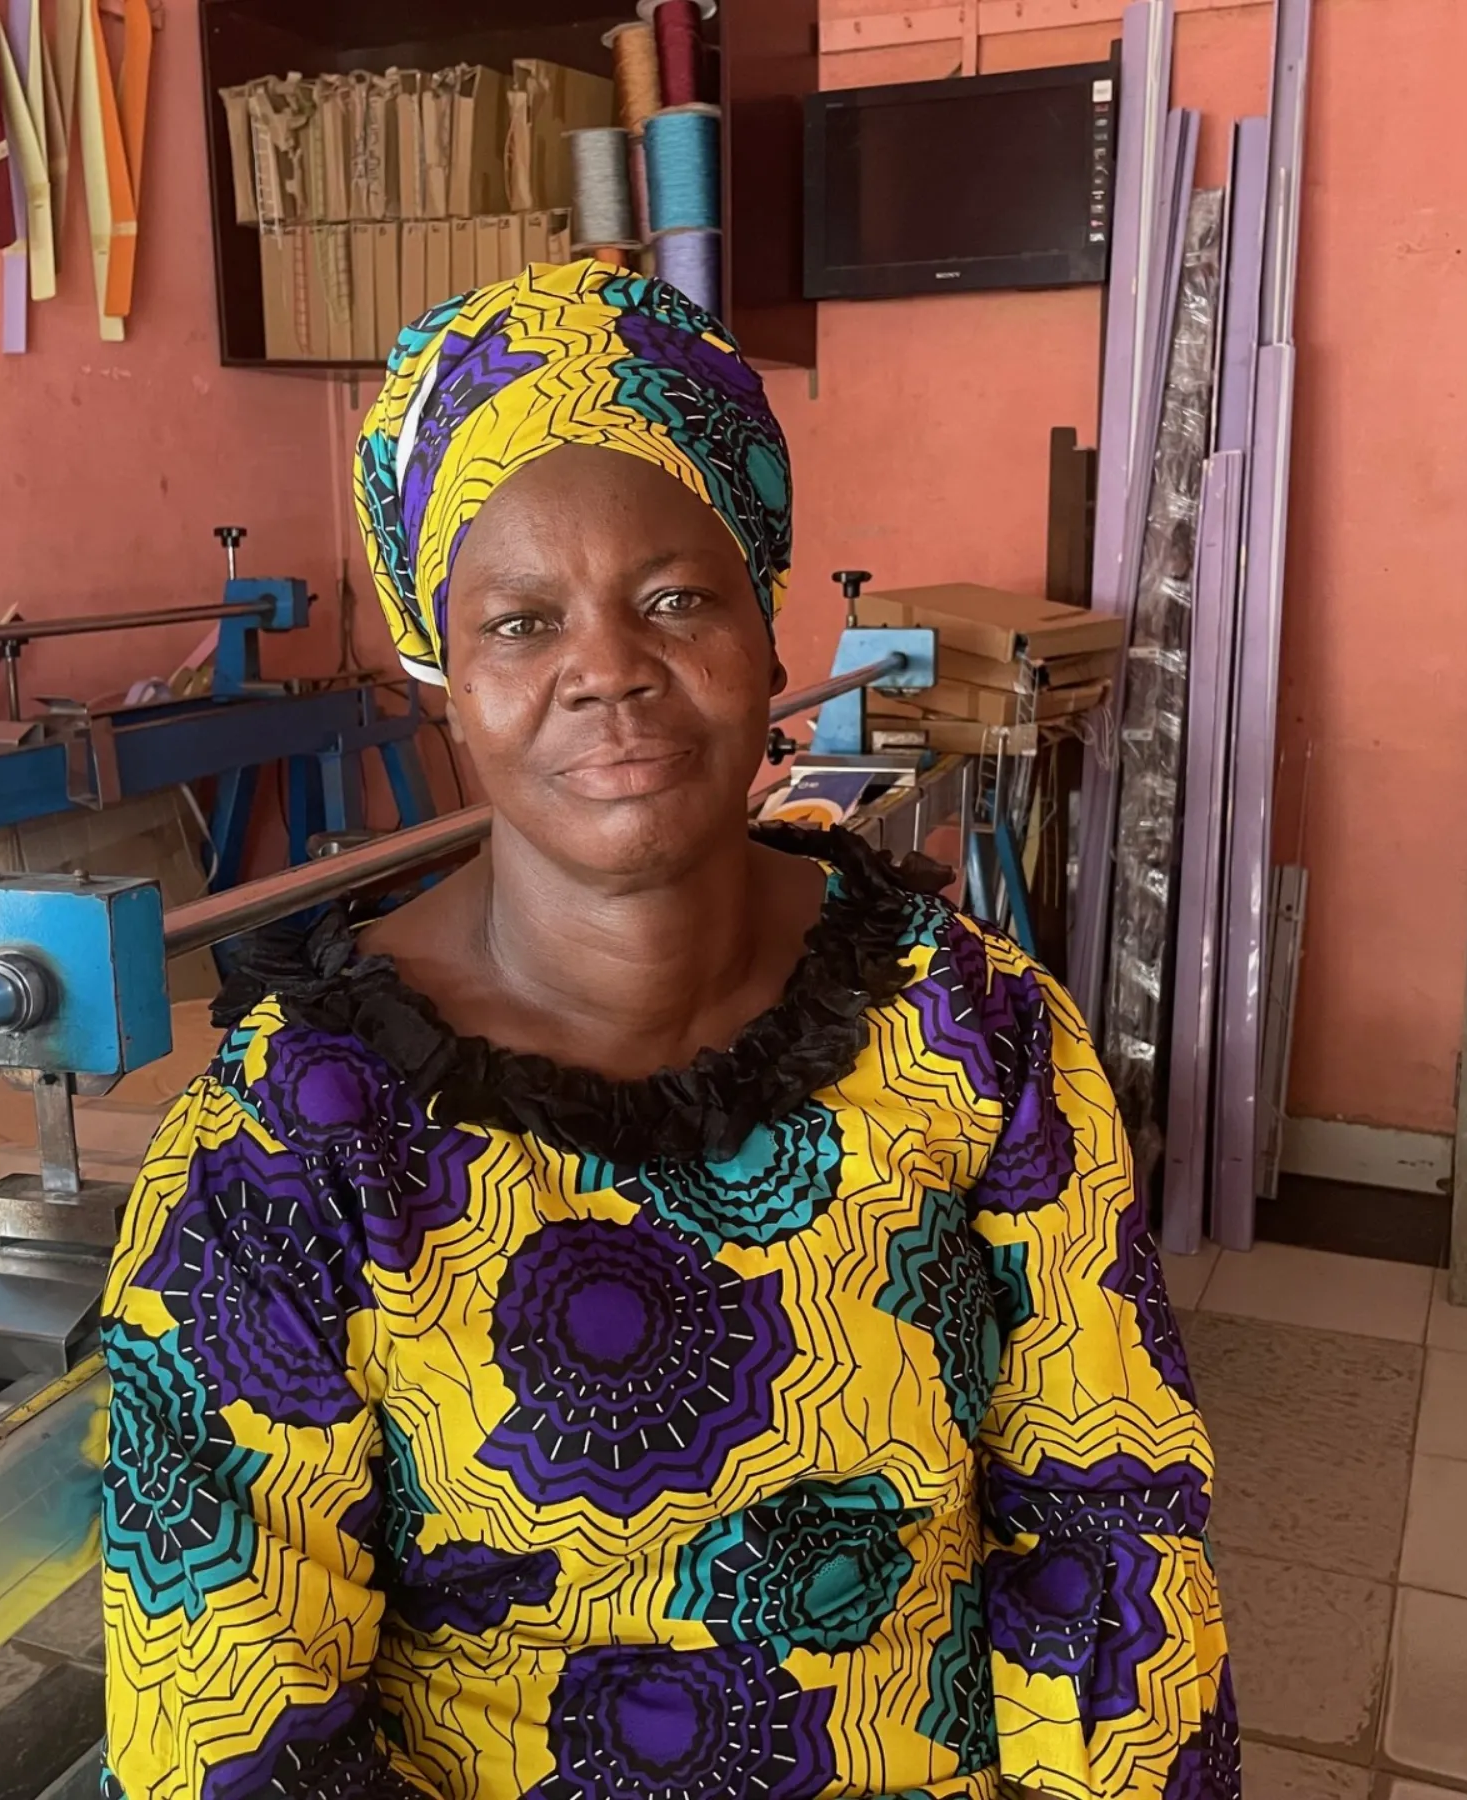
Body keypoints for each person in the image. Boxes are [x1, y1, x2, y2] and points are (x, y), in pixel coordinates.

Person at [100, 260, 1234, 1800]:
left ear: (769, 639)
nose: (608, 671)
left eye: (676, 598)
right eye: (519, 621)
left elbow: (1109, 1537)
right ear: (451, 689)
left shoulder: (974, 1033)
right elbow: (225, 1720)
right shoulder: (300, 1135)